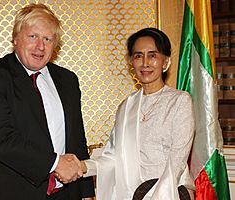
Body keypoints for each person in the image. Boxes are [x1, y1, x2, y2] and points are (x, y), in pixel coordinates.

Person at [0, 3, 94, 200]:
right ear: (16, 39)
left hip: (65, 194)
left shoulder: (68, 80)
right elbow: (0, 139)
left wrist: (86, 192)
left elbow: (76, 136)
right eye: (33, 36)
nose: (40, 46)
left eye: (47, 39)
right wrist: (55, 163)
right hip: (7, 192)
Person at [78, 28, 195, 200]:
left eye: (153, 55)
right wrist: (82, 167)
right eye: (138, 56)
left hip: (170, 192)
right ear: (131, 62)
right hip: (131, 194)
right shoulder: (127, 106)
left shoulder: (179, 101)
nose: (145, 63)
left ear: (166, 62)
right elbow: (112, 157)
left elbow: (176, 161)